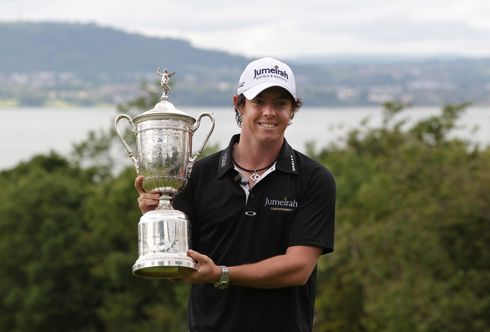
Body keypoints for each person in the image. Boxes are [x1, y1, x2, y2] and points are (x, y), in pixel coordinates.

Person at [135, 57, 336, 332]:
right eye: (259, 101)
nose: (269, 112)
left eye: (280, 103)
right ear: (239, 104)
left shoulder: (314, 179)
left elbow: (298, 269)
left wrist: (221, 274)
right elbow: (177, 267)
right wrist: (157, 218)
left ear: (292, 111)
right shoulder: (197, 175)